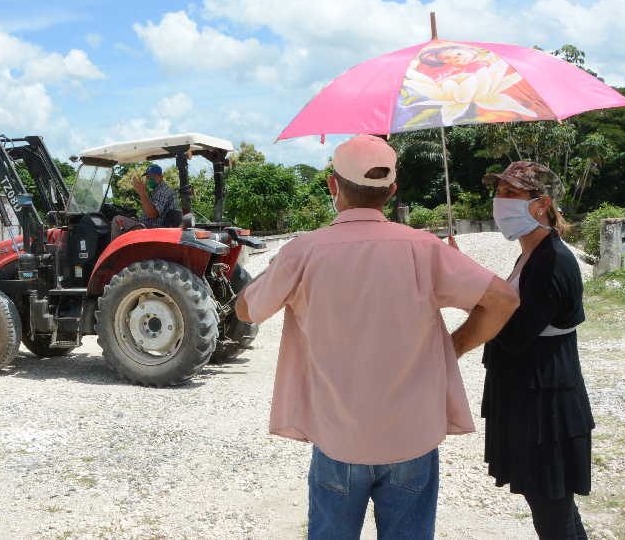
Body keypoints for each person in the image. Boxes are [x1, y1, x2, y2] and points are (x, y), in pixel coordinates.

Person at [236, 134, 520, 540]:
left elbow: (247, 310)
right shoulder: (424, 248)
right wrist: (451, 349)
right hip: (412, 438)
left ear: (334, 186)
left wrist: (277, 268)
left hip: (338, 441)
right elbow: (503, 300)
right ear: (391, 190)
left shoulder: (303, 251)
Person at [465, 161, 595, 539]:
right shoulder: (531, 256)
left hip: (546, 403)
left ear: (541, 204)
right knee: (553, 504)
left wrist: (468, 287)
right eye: (499, 192)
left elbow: (512, 333)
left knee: (551, 508)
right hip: (530, 393)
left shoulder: (551, 262)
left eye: (511, 193)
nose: (499, 201)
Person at [109, 164, 179, 239]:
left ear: (160, 177)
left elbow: (152, 214)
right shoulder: (157, 190)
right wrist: (137, 219)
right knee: (124, 221)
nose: (148, 179)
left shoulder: (163, 191)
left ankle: (116, 250)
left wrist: (142, 193)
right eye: (147, 177)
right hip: (148, 225)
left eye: (151, 176)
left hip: (151, 228)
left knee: (117, 220)